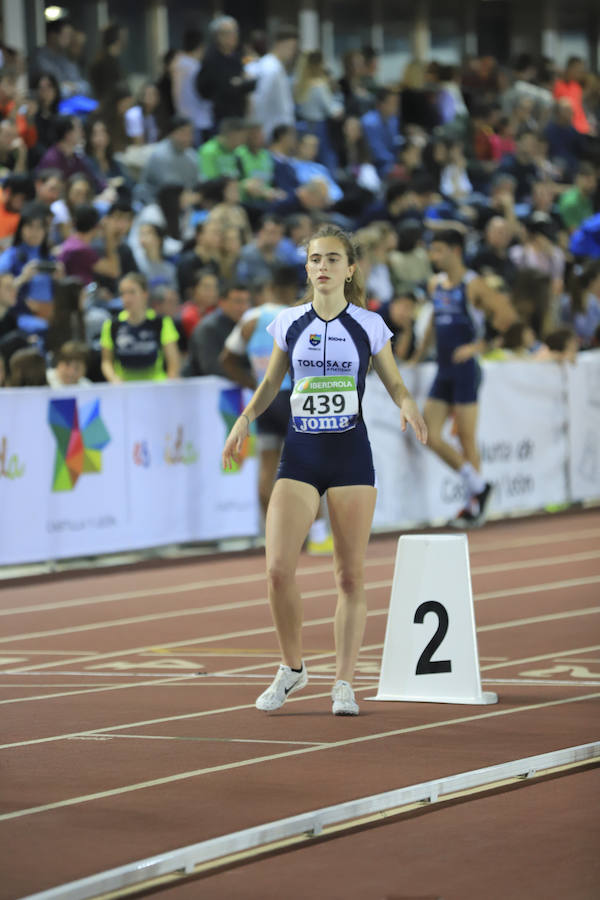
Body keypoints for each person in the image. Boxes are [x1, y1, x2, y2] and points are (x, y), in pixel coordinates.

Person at [222, 224, 427, 716]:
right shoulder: (288, 323)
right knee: (276, 571)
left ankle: (344, 682)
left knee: (350, 577)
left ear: (350, 269)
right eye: (316, 259)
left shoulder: (370, 325)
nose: (323, 267)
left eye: (334, 259)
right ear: (307, 267)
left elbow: (394, 382)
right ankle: (292, 668)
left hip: (350, 456)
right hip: (302, 456)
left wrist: (409, 404)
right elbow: (273, 381)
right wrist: (245, 418)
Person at [411, 229, 516, 528]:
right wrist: (419, 354)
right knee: (428, 433)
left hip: (466, 370)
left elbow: (506, 316)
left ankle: (473, 505)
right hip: (444, 368)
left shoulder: (473, 285)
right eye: (432, 251)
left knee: (466, 437)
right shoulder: (435, 284)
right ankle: (479, 487)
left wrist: (478, 346)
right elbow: (433, 320)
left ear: (456, 251)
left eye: (439, 250)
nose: (434, 256)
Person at [100, 272, 180, 382]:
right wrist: (114, 379)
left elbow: (173, 363)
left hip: (156, 386)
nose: (127, 298)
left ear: (145, 294)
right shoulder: (112, 325)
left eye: (132, 292)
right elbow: (106, 362)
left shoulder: (162, 322)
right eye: (123, 293)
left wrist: (169, 384)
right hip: (124, 387)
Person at [185, 281, 250, 376]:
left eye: (247, 302)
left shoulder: (246, 324)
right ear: (222, 303)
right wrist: (251, 380)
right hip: (204, 386)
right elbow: (212, 368)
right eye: (238, 302)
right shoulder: (207, 328)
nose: (244, 307)